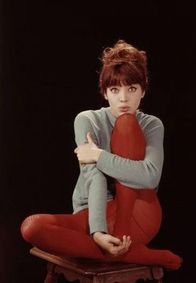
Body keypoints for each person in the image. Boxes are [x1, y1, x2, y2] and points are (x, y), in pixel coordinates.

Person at [20, 40, 182, 270]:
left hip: (139, 212)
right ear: (105, 92)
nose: (124, 99)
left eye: (132, 89)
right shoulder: (87, 120)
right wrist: (97, 232)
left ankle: (121, 240)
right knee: (31, 227)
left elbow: (150, 177)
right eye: (115, 90)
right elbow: (93, 176)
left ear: (143, 91)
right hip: (94, 213)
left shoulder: (152, 124)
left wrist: (98, 155)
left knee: (127, 124)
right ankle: (128, 253)